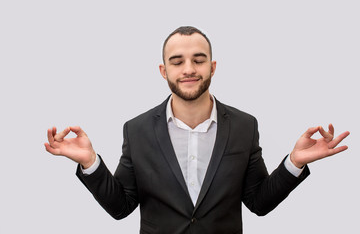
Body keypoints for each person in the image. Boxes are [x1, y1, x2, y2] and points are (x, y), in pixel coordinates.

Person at [45, 26, 350, 234]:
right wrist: (90, 163)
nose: (188, 68)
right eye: (177, 62)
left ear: (212, 67)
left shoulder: (244, 126)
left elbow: (259, 202)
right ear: (164, 71)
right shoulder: (136, 130)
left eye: (198, 60)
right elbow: (121, 206)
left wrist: (294, 162)